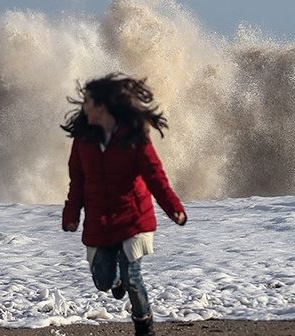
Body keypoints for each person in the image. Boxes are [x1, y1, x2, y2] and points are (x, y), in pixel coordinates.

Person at [61, 72, 187, 336]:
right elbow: (78, 182)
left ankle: (144, 325)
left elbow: (155, 175)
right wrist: (72, 213)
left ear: (101, 106)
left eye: (87, 101)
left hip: (133, 218)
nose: (83, 107)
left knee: (132, 276)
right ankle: (115, 279)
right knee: (104, 281)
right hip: (100, 221)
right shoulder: (83, 141)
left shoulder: (134, 136)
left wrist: (173, 207)